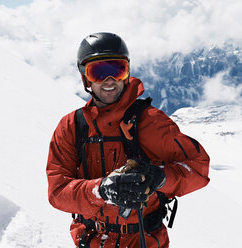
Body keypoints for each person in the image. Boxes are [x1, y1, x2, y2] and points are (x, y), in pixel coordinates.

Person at [46, 32, 210, 248]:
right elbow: (57, 192)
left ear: (127, 72)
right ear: (85, 77)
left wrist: (160, 178)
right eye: (98, 72)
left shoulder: (149, 121)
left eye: (117, 69)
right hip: (90, 241)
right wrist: (102, 190)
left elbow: (198, 168)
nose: (109, 80)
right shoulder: (72, 127)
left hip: (143, 241)